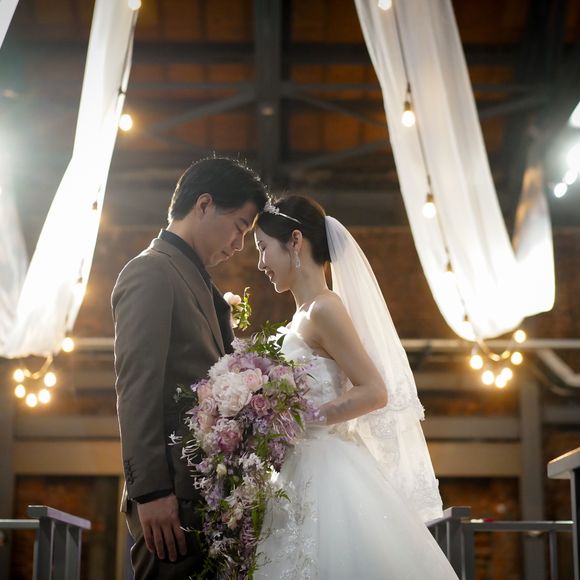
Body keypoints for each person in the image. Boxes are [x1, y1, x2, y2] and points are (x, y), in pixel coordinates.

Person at [253, 195, 459, 579]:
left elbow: (374, 391)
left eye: (263, 248)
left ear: (295, 241)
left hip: (328, 468)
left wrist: (299, 419)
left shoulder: (324, 308)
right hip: (296, 470)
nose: (260, 263)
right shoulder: (299, 317)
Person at [111, 157, 267, 579]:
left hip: (208, 497)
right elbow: (137, 388)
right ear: (204, 204)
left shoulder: (196, 279)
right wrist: (151, 491)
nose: (239, 244)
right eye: (239, 226)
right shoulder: (151, 271)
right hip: (172, 500)